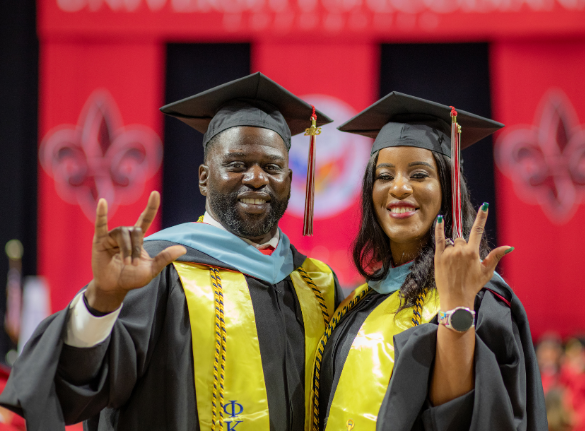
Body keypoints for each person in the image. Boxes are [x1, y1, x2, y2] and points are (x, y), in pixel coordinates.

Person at [0, 72, 344, 431]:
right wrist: (102, 301)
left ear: (289, 183)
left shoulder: (317, 285)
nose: (256, 178)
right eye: (237, 164)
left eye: (271, 167)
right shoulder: (156, 270)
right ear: (204, 178)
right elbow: (70, 391)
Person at [311, 92, 547, 431]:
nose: (399, 188)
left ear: (448, 189)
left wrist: (456, 302)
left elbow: (464, 415)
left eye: (419, 175)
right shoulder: (359, 301)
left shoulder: (481, 298)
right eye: (384, 176)